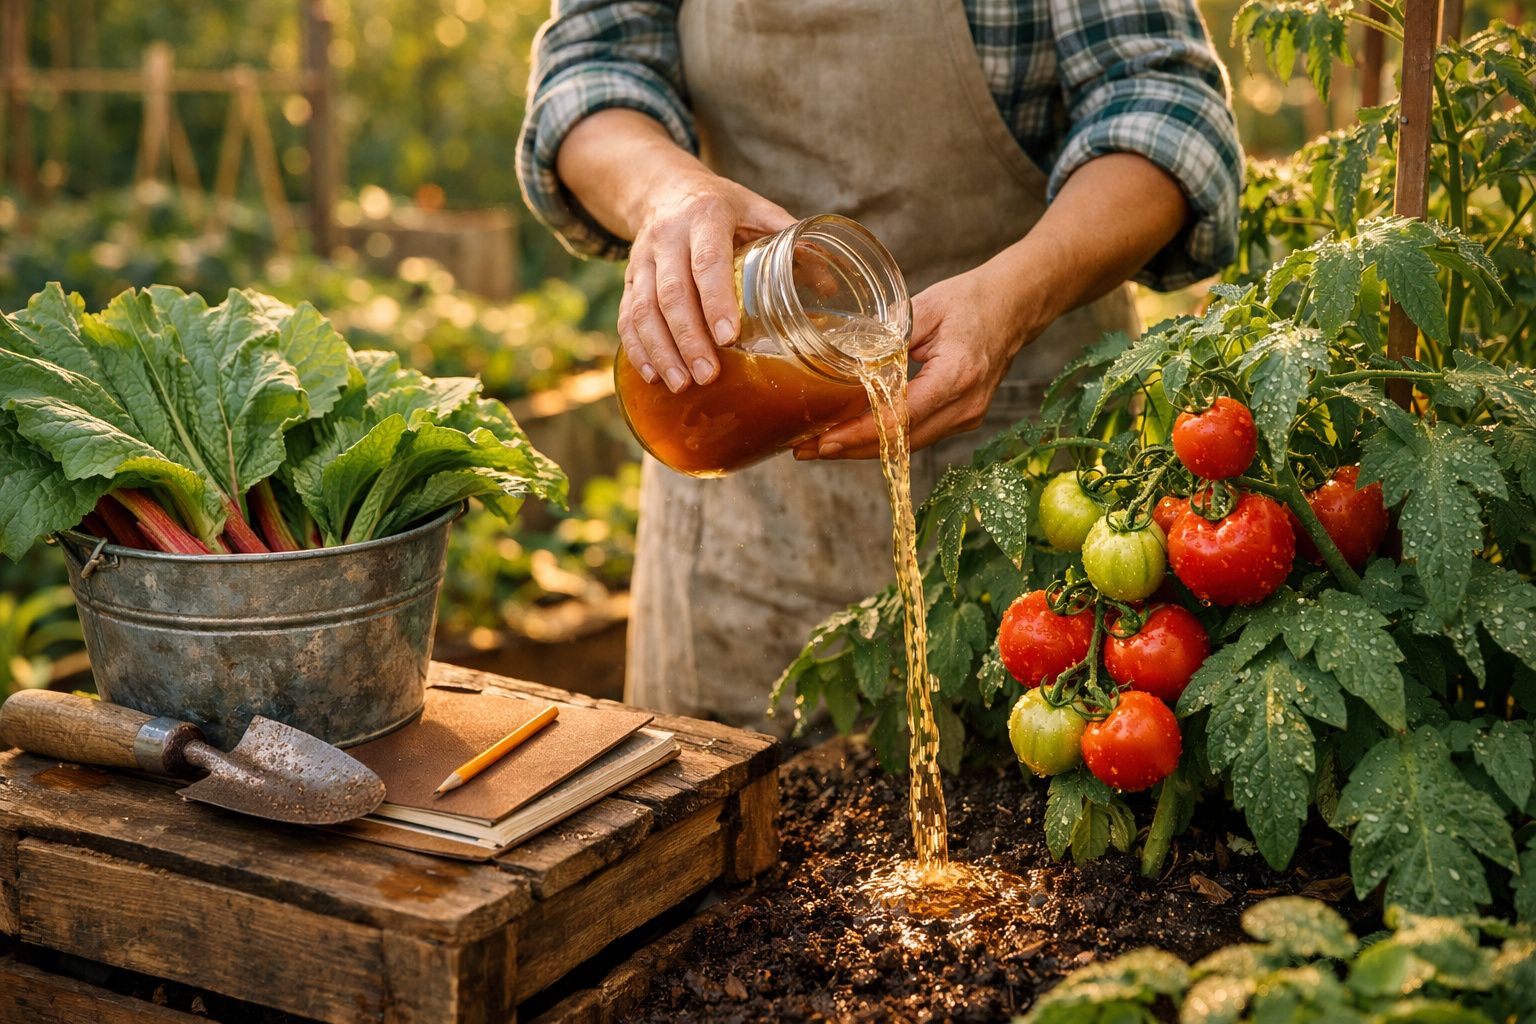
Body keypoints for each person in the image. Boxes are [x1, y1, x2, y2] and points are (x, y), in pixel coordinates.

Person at [517, 0, 1242, 733]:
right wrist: (668, 192)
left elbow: (1167, 105)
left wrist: (1013, 300)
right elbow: (590, 71)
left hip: (1031, 462)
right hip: (741, 503)